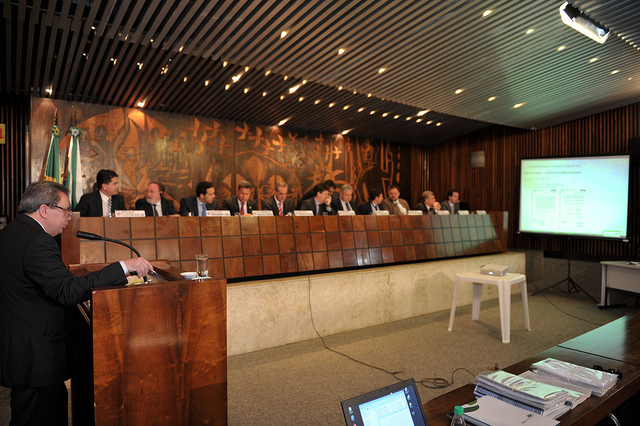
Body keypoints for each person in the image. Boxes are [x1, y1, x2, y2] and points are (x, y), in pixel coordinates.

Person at [0, 181, 153, 426]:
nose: (68, 218)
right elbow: (67, 291)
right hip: (36, 355)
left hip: (21, 347)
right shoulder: (38, 241)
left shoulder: (10, 232)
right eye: (65, 211)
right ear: (44, 210)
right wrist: (123, 267)